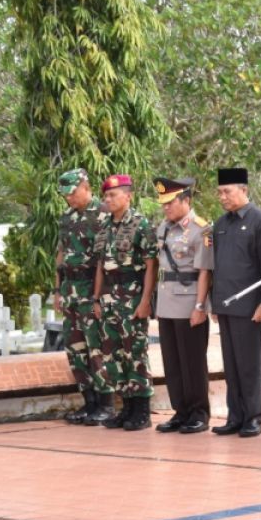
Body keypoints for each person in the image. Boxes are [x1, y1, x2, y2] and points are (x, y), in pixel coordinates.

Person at [210, 167, 261, 438]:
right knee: (232, 364)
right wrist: (214, 302)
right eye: (220, 193)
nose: (222, 197)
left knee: (250, 364)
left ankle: (253, 416)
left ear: (244, 190)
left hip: (250, 306)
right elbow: (217, 265)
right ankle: (235, 415)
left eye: (227, 191)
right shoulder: (220, 224)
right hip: (226, 303)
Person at [91, 175, 158, 431]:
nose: (108, 200)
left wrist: (145, 301)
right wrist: (96, 299)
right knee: (113, 354)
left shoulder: (141, 225)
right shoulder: (104, 227)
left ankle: (142, 411)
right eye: (106, 196)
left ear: (127, 196)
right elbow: (100, 266)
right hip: (108, 298)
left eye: (113, 195)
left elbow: (152, 266)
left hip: (131, 298)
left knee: (135, 353)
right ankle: (126, 407)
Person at [153, 177, 213, 434]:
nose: (166, 208)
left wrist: (200, 306)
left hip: (189, 301)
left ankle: (199, 412)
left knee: (192, 362)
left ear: (186, 200)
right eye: (163, 203)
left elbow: (204, 272)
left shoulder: (201, 229)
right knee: (172, 362)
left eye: (170, 202)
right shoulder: (162, 228)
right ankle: (181, 410)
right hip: (166, 302)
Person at [54, 168, 105, 423]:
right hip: (70, 291)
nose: (69, 199)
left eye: (72, 193)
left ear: (86, 187)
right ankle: (89, 402)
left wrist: (97, 297)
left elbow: (104, 261)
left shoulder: (103, 214)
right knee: (75, 349)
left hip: (90, 288)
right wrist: (57, 290)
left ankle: (105, 404)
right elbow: (60, 254)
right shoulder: (67, 217)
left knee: (96, 347)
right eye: (65, 195)